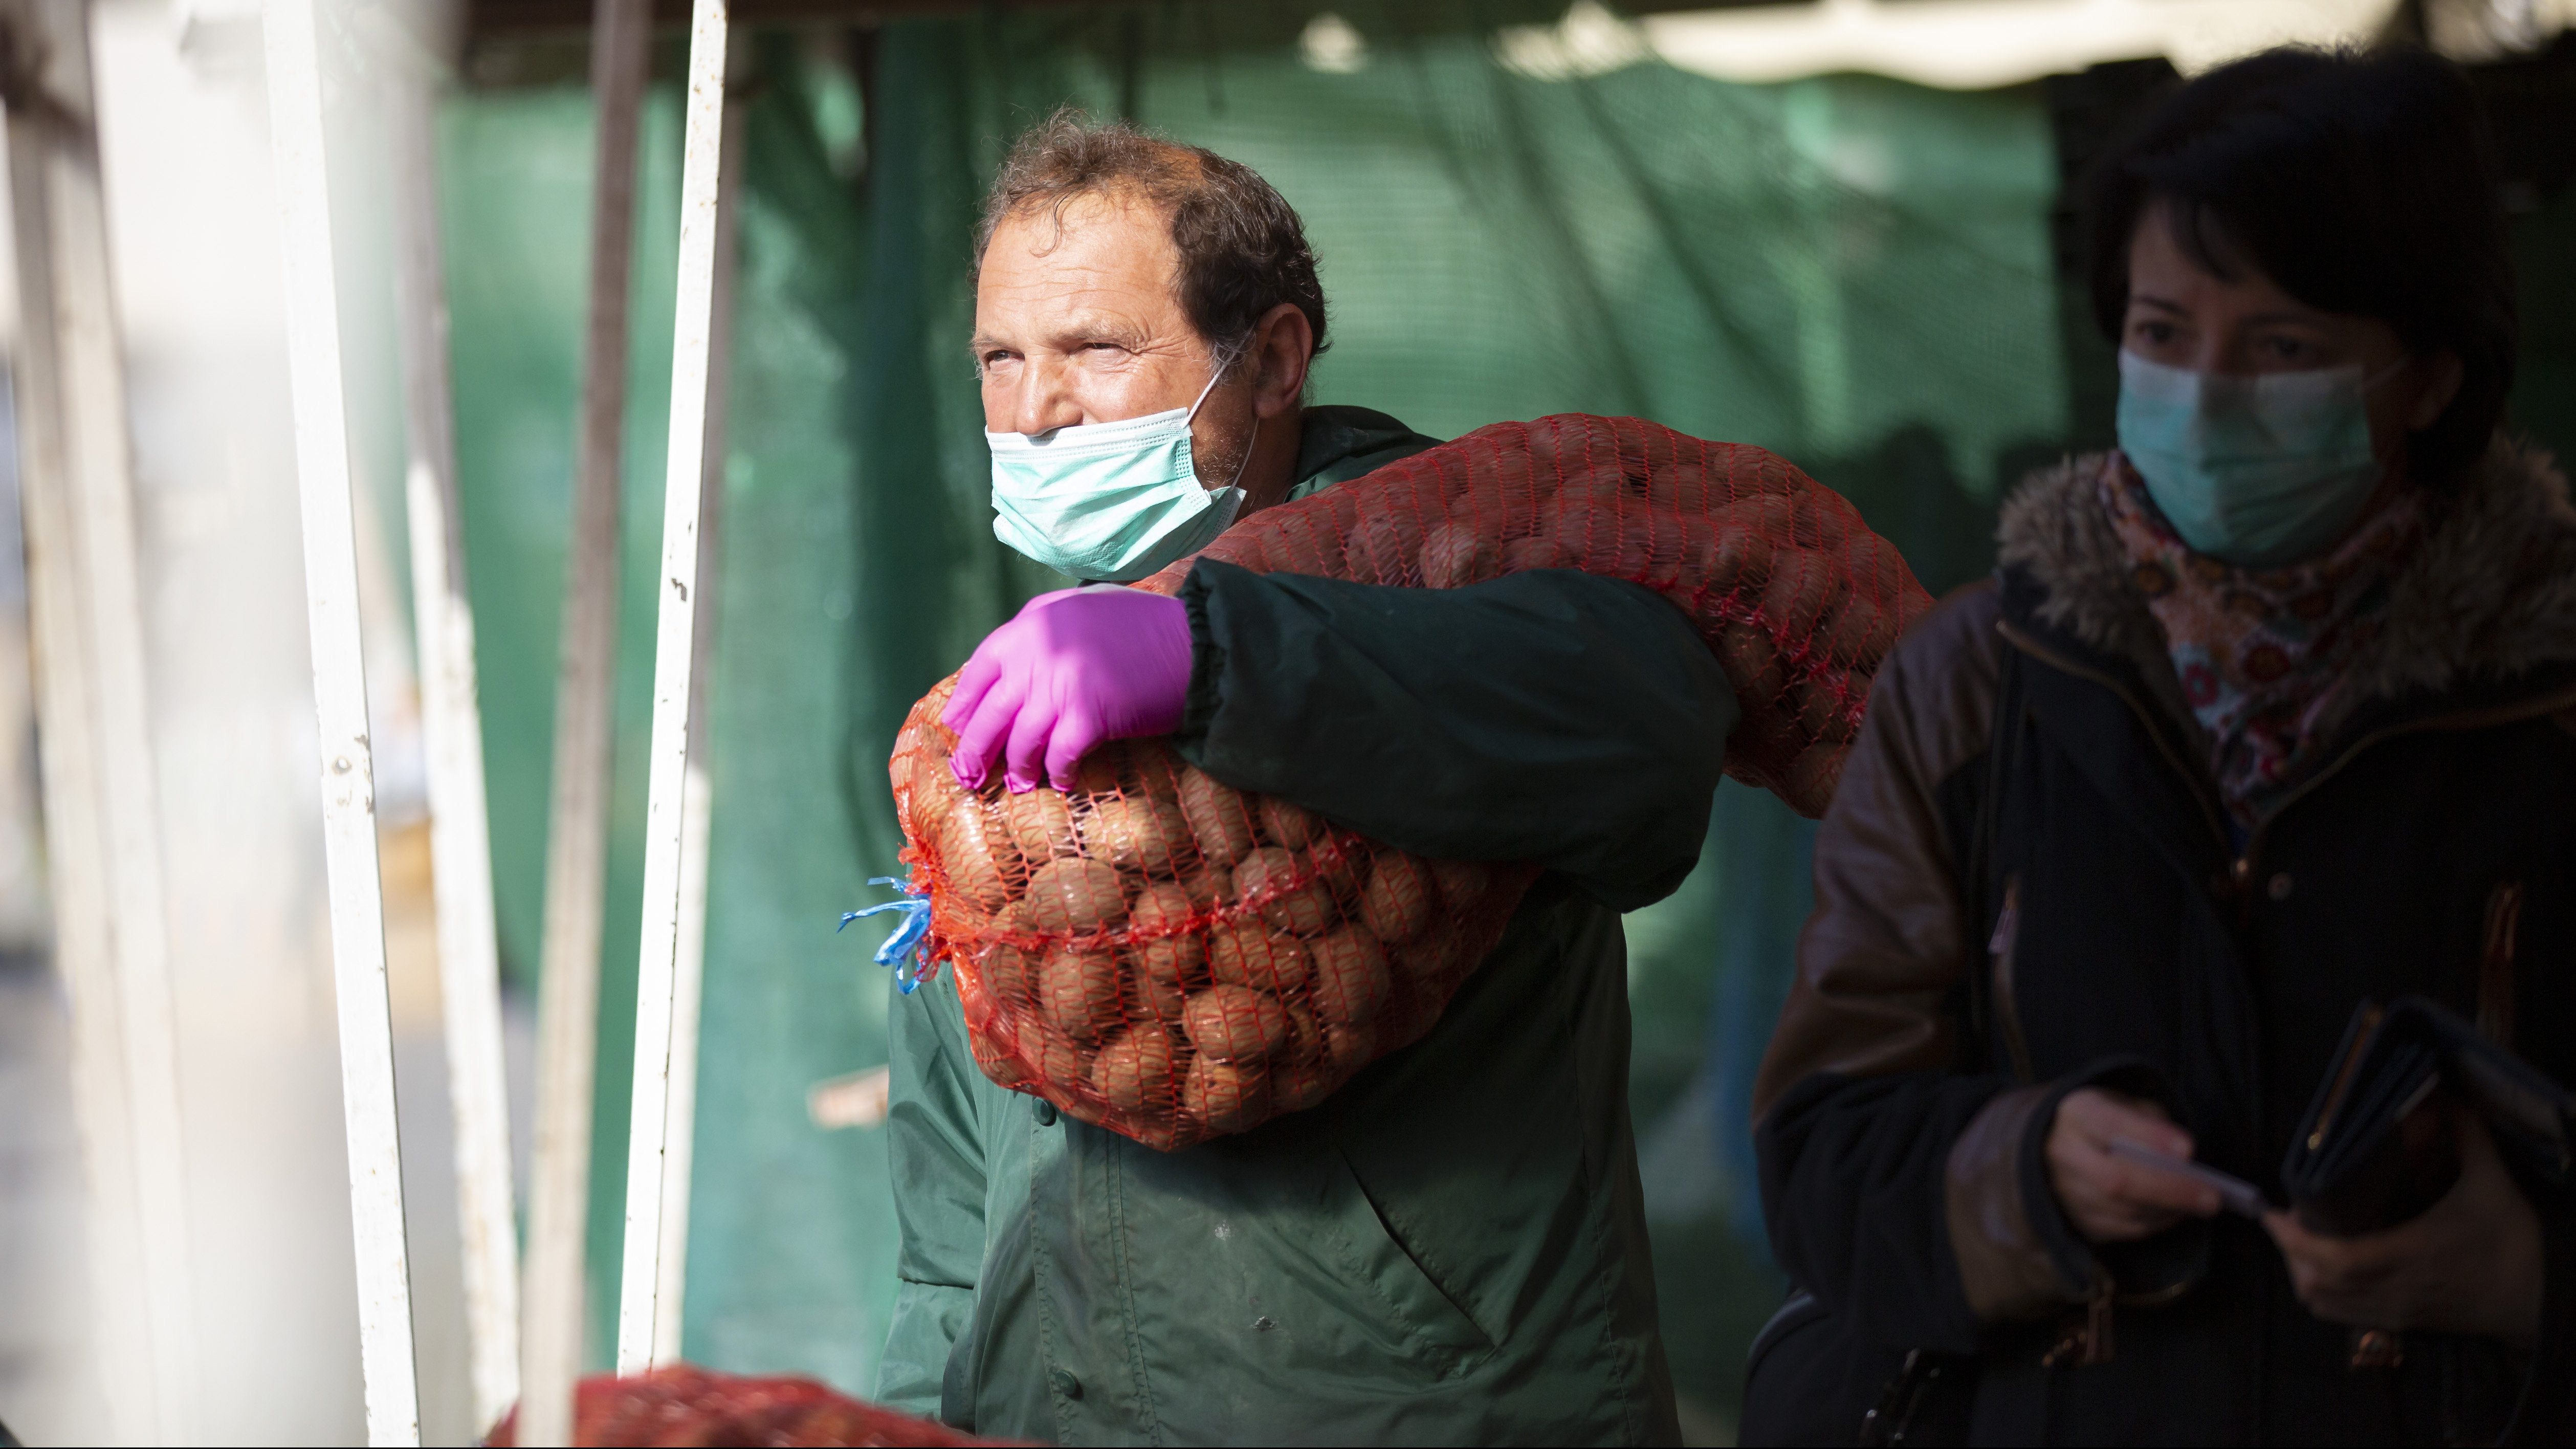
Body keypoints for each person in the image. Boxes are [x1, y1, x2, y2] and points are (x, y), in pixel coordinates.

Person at [1751, 46, 2576, 1444]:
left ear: (2428, 377)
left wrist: (2528, 1278)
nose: (2203, 397)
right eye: (2160, 330)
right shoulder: (1974, 684)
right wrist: (2024, 1176)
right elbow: (1824, 1153)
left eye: (2285, 349)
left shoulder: (2545, 698)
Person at [875, 114, 1735, 1445]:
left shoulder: (1464, 573)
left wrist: (1218, 657)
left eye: (1093, 351)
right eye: (1001, 359)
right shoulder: (1010, 709)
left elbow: (1644, 736)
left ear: (1270, 360)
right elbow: (945, 1228)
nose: (1035, 411)